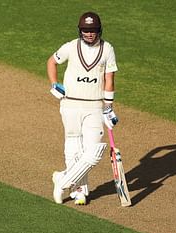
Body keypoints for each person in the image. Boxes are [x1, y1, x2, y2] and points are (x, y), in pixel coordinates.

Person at [47, 11, 119, 205]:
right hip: (70, 103)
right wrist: (55, 84)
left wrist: (109, 107)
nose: (89, 34)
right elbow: (52, 61)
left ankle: (62, 180)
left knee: (95, 151)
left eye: (93, 30)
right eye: (86, 30)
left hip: (95, 106)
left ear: (99, 30)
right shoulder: (71, 47)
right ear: (81, 31)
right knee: (73, 146)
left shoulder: (107, 49)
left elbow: (109, 79)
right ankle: (79, 190)